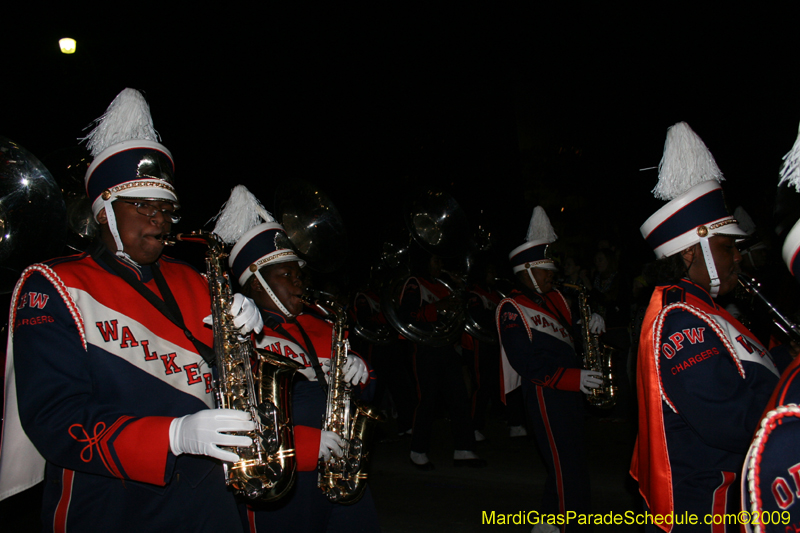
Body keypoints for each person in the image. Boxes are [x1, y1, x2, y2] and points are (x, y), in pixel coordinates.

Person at [0, 89, 262, 531]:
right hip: (111, 503)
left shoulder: (196, 280)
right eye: (141, 205)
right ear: (104, 212)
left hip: (210, 502)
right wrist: (172, 436)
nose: (159, 219)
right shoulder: (54, 284)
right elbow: (54, 418)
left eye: (166, 208)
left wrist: (244, 339)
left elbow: (233, 384)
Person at [632, 122, 784, 532]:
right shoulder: (681, 320)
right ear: (689, 254)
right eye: (727, 247)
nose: (737, 257)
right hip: (708, 507)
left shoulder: (705, 310)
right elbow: (730, 421)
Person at [212, 185, 381, 532]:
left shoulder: (324, 326)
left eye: (299, 274)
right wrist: (305, 445)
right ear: (256, 283)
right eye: (286, 275)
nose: (299, 282)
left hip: (342, 470)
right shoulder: (241, 332)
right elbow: (237, 413)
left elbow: (364, 394)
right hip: (281, 477)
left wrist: (362, 372)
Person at [497, 206, 601, 533]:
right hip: (545, 392)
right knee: (567, 466)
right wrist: (573, 378)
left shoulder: (555, 298)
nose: (551, 275)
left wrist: (590, 323)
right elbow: (526, 363)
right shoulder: (511, 307)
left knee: (569, 459)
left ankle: (547, 522)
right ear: (527, 271)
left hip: (570, 390)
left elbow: (569, 333)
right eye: (545, 270)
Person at [400, 247, 485, 470]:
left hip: (446, 347)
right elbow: (407, 316)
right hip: (424, 347)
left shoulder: (444, 286)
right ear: (425, 262)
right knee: (427, 400)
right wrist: (437, 308)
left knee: (459, 397)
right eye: (436, 260)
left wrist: (459, 291)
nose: (440, 265)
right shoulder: (414, 283)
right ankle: (418, 451)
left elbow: (457, 313)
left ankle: (464, 449)